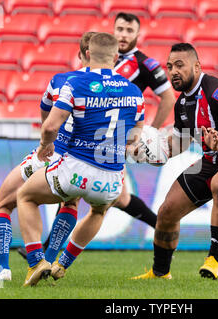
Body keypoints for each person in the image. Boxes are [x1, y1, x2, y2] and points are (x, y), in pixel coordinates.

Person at [17, 32, 145, 287]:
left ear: (87, 55)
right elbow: (135, 139)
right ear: (116, 57)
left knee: (25, 196)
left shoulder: (75, 82)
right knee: (98, 211)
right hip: (111, 177)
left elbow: (50, 126)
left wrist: (45, 145)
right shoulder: (134, 91)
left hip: (76, 168)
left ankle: (36, 261)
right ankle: (62, 263)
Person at [131, 43, 218, 280]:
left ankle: (213, 259)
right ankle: (160, 273)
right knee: (167, 211)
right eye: (170, 66)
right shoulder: (182, 104)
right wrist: (149, 153)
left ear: (197, 66)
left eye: (180, 66)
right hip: (211, 161)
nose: (173, 71)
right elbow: (179, 144)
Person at [0, 32, 96, 283]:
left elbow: (46, 113)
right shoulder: (113, 89)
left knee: (3, 204)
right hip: (81, 162)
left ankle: (5, 269)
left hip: (50, 153)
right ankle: (47, 258)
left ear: (81, 55)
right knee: (69, 205)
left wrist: (45, 144)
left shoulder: (61, 80)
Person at [110, 12, 176, 228]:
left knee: (88, 193)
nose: (123, 35)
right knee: (118, 198)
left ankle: (45, 250)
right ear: (113, 30)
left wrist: (150, 133)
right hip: (94, 134)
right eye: (120, 29)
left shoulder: (146, 64)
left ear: (138, 33)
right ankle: (162, 229)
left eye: (129, 30)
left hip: (117, 139)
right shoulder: (102, 58)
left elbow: (168, 98)